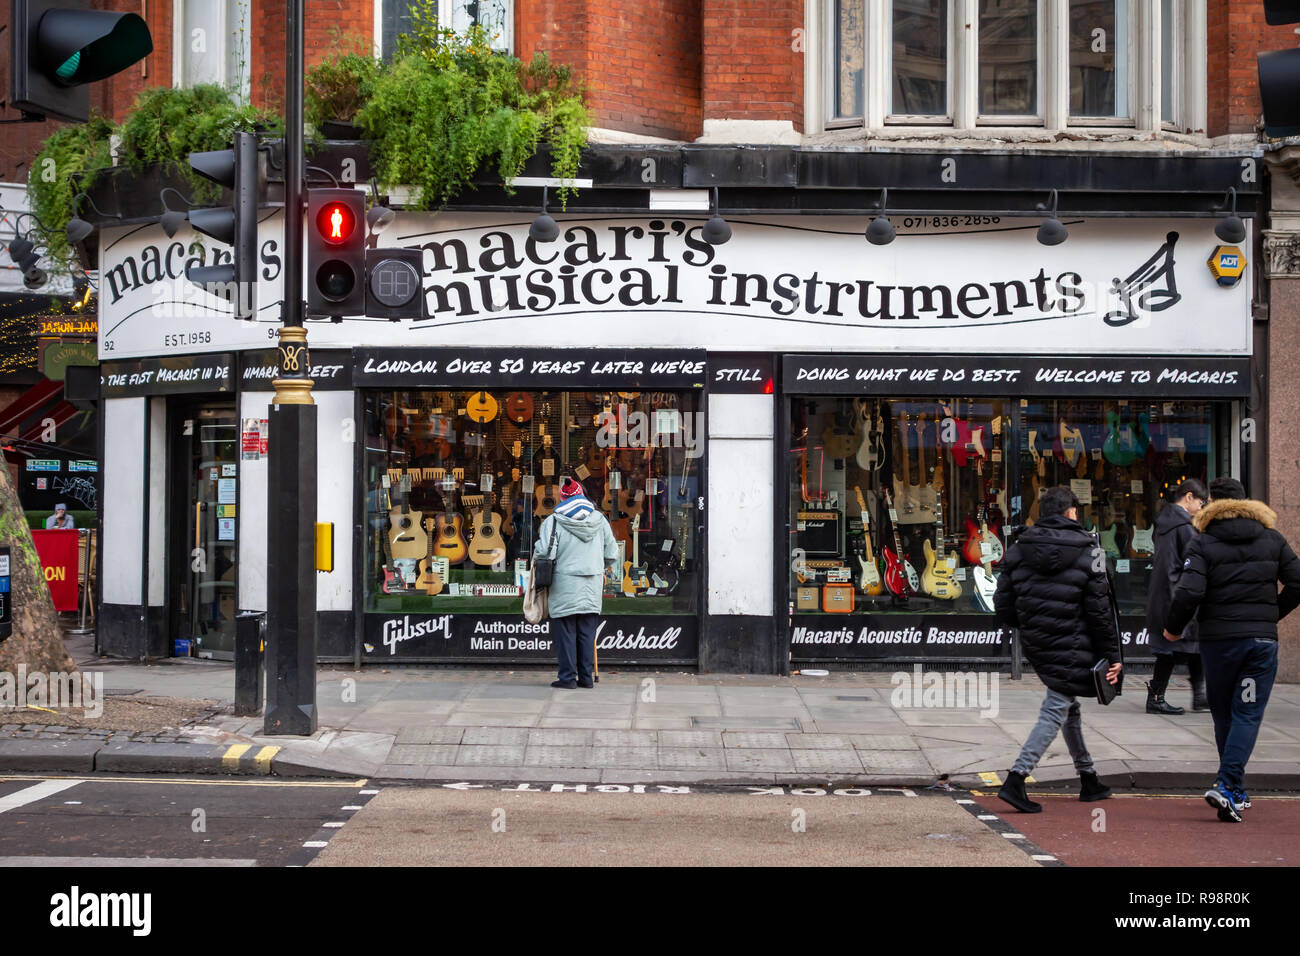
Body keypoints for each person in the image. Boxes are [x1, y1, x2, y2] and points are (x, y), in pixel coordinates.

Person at [1163, 476, 1300, 822]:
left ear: (1211, 504)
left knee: (1225, 713)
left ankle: (1227, 785)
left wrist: (1172, 629)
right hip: (1260, 645)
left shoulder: (1204, 542)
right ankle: (1233, 789)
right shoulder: (1272, 539)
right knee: (1248, 712)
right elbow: (1298, 581)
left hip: (1220, 644)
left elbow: (1189, 592)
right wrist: (1272, 615)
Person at [993, 486, 1121, 813]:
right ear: (1071, 513)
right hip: (1076, 640)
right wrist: (1114, 656)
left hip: (1039, 641)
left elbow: (1003, 605)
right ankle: (1016, 779)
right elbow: (1100, 611)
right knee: (1056, 706)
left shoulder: (1019, 548)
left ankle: (1088, 777)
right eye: (1076, 510)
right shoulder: (1089, 551)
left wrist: (1032, 623)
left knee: (1067, 702)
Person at [536, 477, 619, 689]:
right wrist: (596, 564)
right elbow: (612, 554)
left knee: (566, 633)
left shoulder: (553, 521)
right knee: (587, 632)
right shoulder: (600, 520)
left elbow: (545, 552)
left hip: (564, 583)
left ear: (562, 497)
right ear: (581, 494)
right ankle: (586, 678)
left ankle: (567, 678)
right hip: (591, 584)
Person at [1144, 478, 1209, 715]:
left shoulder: (1165, 523)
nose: (1201, 508)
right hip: (1175, 595)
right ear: (1189, 497)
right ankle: (1157, 698)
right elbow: (1188, 564)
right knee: (1171, 649)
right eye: (1200, 502)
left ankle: (1199, 696)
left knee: (1192, 646)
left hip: (1164, 594)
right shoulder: (1183, 527)